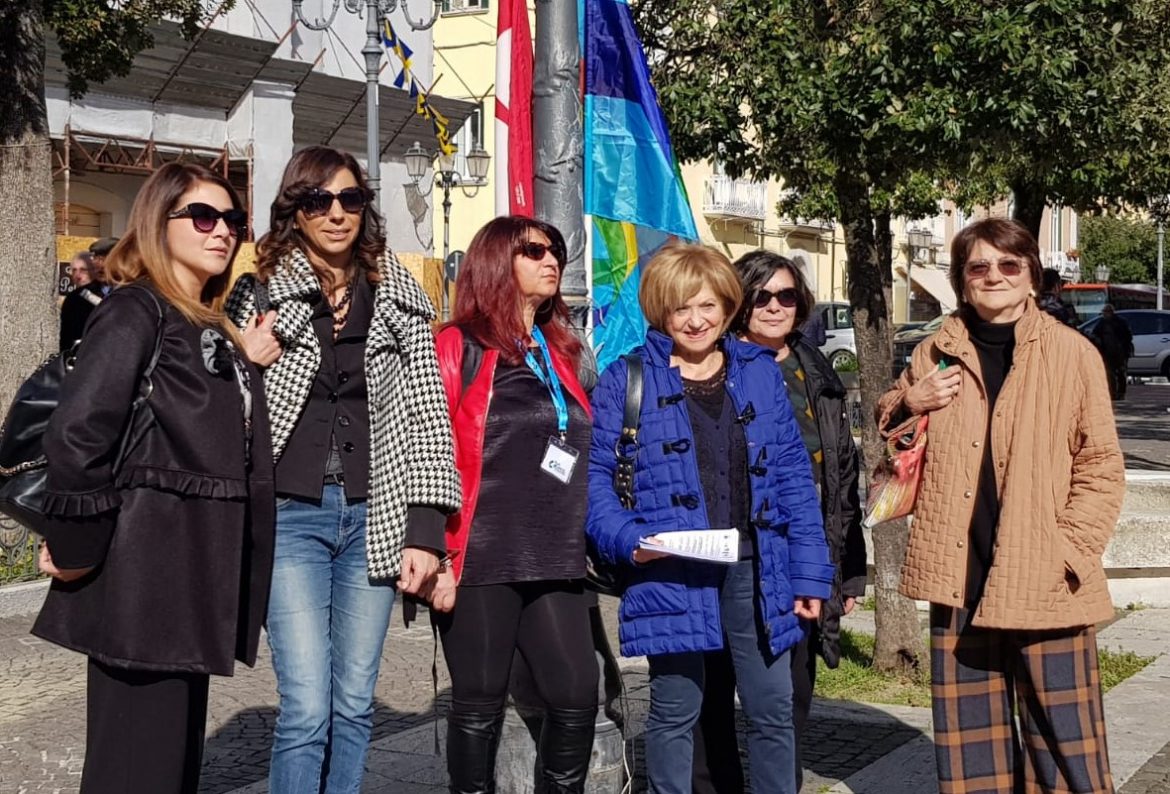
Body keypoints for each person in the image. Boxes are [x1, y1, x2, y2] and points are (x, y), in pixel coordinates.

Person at [32, 162, 273, 793]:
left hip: (187, 583)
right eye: (203, 216)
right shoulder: (136, 310)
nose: (222, 231)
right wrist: (78, 550)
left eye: (233, 219)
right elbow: (78, 434)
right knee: (136, 770)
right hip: (144, 584)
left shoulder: (201, 321)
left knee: (167, 769)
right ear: (156, 223)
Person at [226, 145, 461, 793]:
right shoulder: (258, 291)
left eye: (350, 199)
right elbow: (220, 406)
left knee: (355, 704)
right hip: (289, 518)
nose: (336, 213)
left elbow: (428, 416)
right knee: (306, 707)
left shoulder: (398, 294)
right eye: (318, 200)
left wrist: (425, 532)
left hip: (374, 519)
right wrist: (245, 359)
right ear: (294, 210)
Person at [877, 218, 1123, 794]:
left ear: (1031, 275)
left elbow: (1101, 466)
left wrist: (1069, 550)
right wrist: (910, 400)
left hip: (1045, 577)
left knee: (1068, 749)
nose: (994, 276)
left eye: (1008, 265)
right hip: (959, 575)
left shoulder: (1072, 354)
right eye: (978, 267)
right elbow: (894, 437)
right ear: (962, 280)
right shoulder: (935, 351)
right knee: (973, 759)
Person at [586, 242, 834, 794]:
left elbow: (794, 480)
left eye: (707, 306)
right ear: (661, 311)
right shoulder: (627, 379)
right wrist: (629, 539)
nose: (696, 320)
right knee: (675, 711)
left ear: (726, 306)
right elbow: (596, 480)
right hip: (670, 567)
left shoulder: (759, 373)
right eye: (681, 308)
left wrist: (811, 576)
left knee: (773, 709)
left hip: (757, 569)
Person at [425, 216, 599, 794]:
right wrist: (433, 549)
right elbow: (427, 450)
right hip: (479, 555)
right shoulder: (457, 346)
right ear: (498, 260)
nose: (552, 261)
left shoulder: (561, 350)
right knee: (479, 704)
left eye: (556, 252)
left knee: (576, 695)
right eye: (534, 251)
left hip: (556, 553)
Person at [692, 250, 867, 794]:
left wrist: (848, 571)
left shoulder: (816, 370)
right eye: (761, 296)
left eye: (786, 295)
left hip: (801, 560)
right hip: (732, 554)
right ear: (738, 301)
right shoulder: (713, 364)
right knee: (713, 692)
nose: (774, 307)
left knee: (788, 697)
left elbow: (841, 477)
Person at [59, 252, 104, 351]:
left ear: (94, 270)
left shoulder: (107, 294)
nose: (78, 275)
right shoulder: (72, 298)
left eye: (83, 270)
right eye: (74, 270)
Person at [1092, 303, 1134, 400]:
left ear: (1111, 312)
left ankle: (1121, 393)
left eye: (1106, 312)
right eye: (1104, 312)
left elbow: (1128, 336)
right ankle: (1113, 392)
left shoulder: (1120, 322)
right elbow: (1095, 334)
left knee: (1121, 372)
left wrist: (1123, 347)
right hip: (1107, 352)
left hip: (1120, 352)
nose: (1104, 314)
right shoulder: (1102, 323)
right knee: (1110, 373)